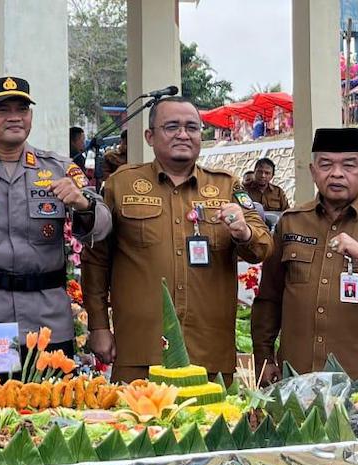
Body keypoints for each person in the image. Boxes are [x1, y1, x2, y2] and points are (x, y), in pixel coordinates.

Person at [81, 96, 272, 383]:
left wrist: (244, 232)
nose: (183, 134)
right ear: (150, 136)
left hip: (208, 355)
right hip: (140, 351)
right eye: (171, 126)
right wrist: (98, 326)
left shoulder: (226, 185)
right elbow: (96, 259)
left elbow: (262, 247)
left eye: (192, 127)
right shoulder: (121, 185)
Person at [0, 77, 110, 370]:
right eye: (2, 110)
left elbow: (103, 227)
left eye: (22, 109)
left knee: (53, 410)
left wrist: (83, 204)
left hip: (46, 319)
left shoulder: (59, 168)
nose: (15, 116)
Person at [252, 128, 358, 381]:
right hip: (297, 376)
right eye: (325, 165)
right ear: (313, 171)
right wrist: (264, 357)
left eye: (349, 165)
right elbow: (269, 298)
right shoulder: (292, 222)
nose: (336, 173)